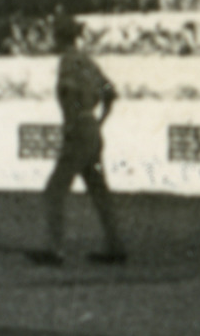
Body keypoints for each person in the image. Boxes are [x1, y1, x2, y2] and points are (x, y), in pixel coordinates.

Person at [30, 15, 127, 265]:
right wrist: (98, 120)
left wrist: (72, 123)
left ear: (59, 37)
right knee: (99, 190)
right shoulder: (88, 61)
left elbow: (68, 93)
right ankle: (115, 245)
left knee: (55, 190)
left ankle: (55, 248)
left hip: (78, 130)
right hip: (92, 127)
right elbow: (110, 94)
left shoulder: (67, 62)